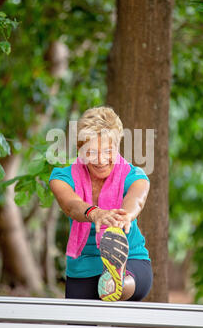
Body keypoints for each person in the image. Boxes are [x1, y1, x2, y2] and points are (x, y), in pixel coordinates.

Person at [49, 106, 153, 301]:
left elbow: (136, 200)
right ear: (80, 148)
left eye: (108, 151)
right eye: (92, 152)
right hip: (83, 267)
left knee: (121, 286)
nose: (101, 159)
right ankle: (114, 281)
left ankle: (119, 279)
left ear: (118, 146)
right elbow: (71, 205)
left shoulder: (135, 176)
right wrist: (95, 213)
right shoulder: (62, 177)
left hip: (131, 259)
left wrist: (125, 216)